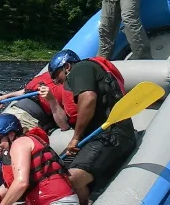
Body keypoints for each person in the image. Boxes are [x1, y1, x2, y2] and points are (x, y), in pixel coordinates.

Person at [49, 49, 137, 205]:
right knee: (52, 174)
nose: (58, 82)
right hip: (95, 136)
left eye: (57, 76)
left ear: (67, 67)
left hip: (112, 134)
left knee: (67, 180)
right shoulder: (84, 71)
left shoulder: (81, 68)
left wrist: (76, 138)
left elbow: (88, 99)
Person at [0, 113, 80, 205]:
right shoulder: (24, 145)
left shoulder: (19, 143)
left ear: (11, 135)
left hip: (56, 201)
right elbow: (8, 187)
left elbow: (21, 183)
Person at [0, 70, 77, 132]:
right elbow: (26, 91)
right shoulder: (50, 75)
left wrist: (51, 99)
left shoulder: (71, 89)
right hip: (13, 112)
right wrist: (5, 96)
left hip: (29, 121)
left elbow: (64, 126)